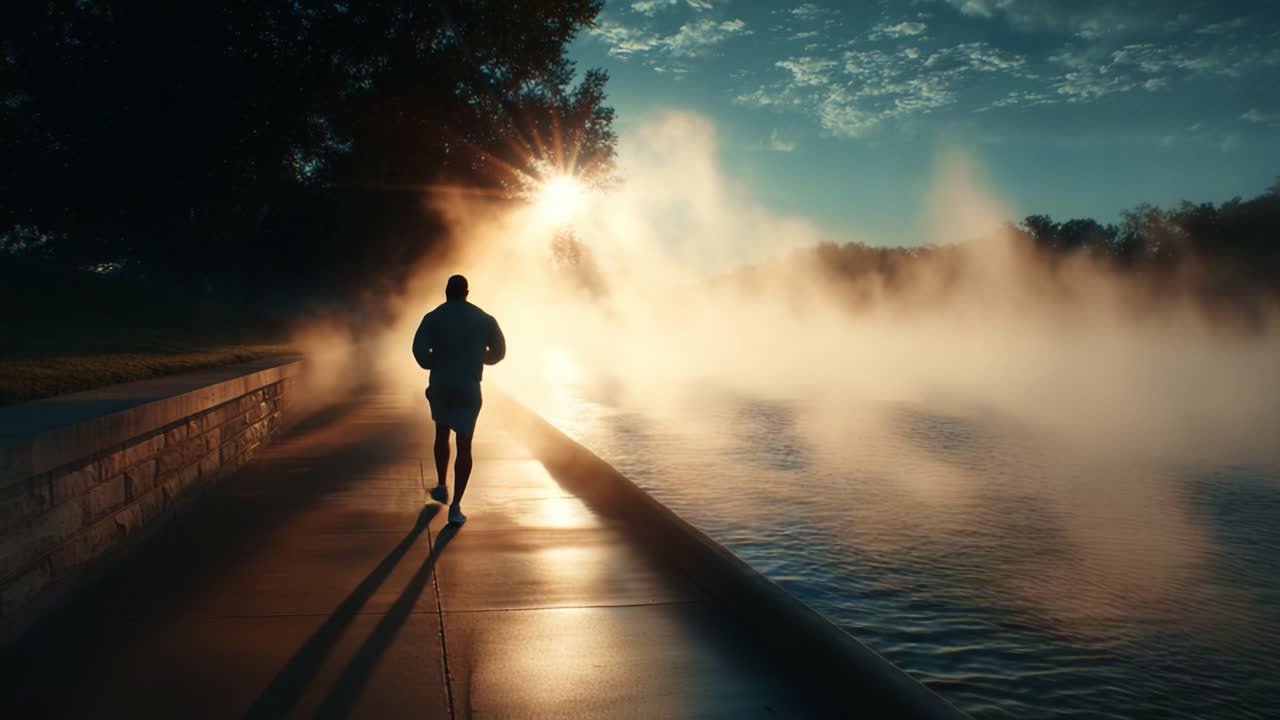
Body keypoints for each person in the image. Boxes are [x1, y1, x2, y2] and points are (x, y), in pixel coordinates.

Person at [412, 274, 506, 525]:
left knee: (441, 434)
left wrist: (434, 363)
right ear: (467, 293)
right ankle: (455, 507)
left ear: (446, 292)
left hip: (441, 384)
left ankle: (442, 485)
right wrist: (477, 358)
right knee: (465, 445)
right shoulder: (484, 319)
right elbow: (499, 352)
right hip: (468, 387)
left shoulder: (433, 317)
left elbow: (419, 351)